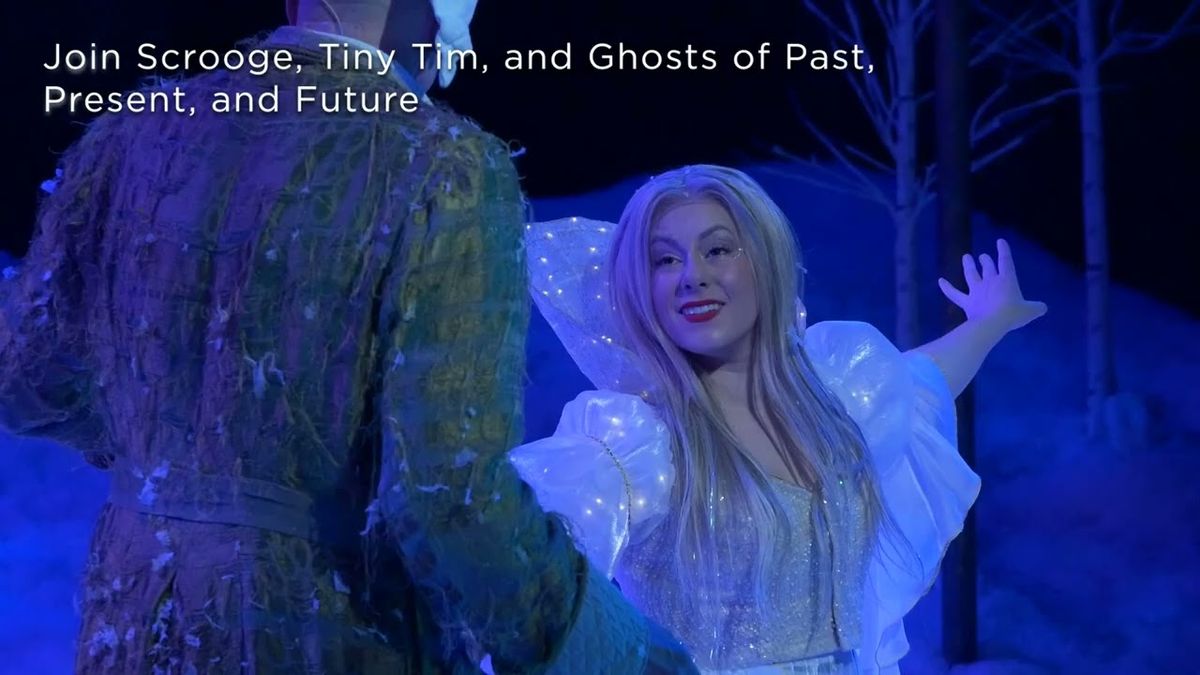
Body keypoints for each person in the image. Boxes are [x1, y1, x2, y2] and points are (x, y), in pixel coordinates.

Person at [0, 1, 697, 673]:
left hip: (136, 616)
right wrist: (619, 654)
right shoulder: (441, 167)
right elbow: (449, 496)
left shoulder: (132, 133)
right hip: (324, 627)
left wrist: (174, 453)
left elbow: (26, 378)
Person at [510, 164, 1048, 673]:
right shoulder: (638, 443)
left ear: (765, 259)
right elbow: (516, 546)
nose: (693, 276)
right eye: (664, 260)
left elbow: (923, 378)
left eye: (717, 249)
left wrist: (989, 321)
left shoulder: (837, 399)